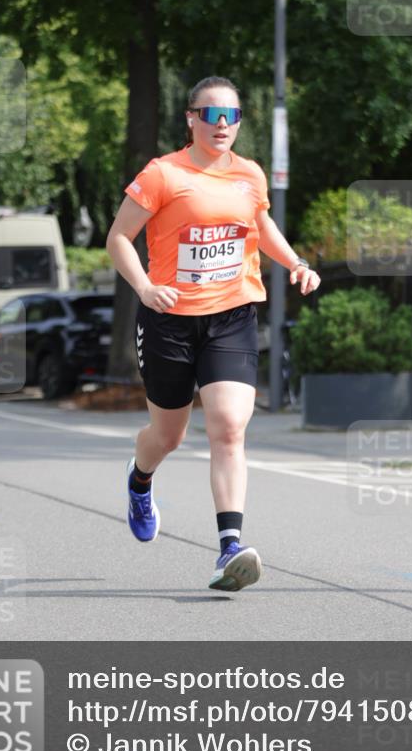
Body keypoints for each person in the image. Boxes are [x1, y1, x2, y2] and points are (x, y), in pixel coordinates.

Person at [106, 76, 321, 591]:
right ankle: (140, 480)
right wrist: (145, 288)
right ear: (191, 119)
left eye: (232, 116)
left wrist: (295, 262)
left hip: (231, 315)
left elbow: (259, 226)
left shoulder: (249, 174)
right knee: (168, 436)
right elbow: (118, 238)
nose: (222, 125)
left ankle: (230, 548)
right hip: (169, 319)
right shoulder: (163, 174)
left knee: (228, 426)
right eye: (211, 114)